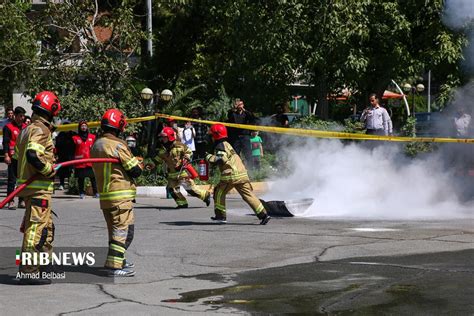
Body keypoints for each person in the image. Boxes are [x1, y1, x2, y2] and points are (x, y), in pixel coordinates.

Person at [16, 91, 61, 285]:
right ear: (51, 110)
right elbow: (34, 155)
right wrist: (49, 170)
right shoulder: (41, 130)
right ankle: (29, 270)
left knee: (45, 228)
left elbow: (21, 156)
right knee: (36, 230)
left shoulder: (27, 129)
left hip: (31, 187)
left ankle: (43, 265)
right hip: (37, 187)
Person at [91, 109, 142, 277]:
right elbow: (135, 170)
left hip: (106, 197)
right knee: (124, 232)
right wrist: (138, 162)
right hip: (120, 196)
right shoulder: (118, 145)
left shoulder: (96, 144)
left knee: (115, 232)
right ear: (119, 126)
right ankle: (114, 267)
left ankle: (119, 260)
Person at [206, 124, 271, 225]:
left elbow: (221, 159)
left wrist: (209, 157)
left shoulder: (220, 145)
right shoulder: (227, 144)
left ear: (215, 135)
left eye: (211, 135)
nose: (210, 138)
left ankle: (220, 216)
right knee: (248, 195)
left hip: (231, 175)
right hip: (242, 174)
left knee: (218, 192)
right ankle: (264, 215)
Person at [152, 127, 210, 208]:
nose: (162, 139)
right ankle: (182, 203)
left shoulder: (180, 146)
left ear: (169, 137)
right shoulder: (163, 150)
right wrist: (151, 165)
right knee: (172, 189)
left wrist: (186, 157)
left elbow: (189, 152)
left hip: (182, 172)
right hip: (172, 174)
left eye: (164, 137)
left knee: (190, 189)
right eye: (162, 137)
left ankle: (205, 195)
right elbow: (157, 160)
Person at [2, 106, 27, 209]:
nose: (22, 118)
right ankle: (10, 201)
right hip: (12, 157)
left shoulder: (26, 127)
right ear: (15, 116)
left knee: (22, 180)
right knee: (12, 180)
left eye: (23, 116)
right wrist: (6, 155)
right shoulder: (8, 127)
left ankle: (21, 200)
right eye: (20, 116)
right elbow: (6, 143)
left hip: (23, 158)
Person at [72, 120, 98, 198]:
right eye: (82, 126)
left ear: (87, 127)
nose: (84, 127)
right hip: (80, 162)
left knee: (93, 178)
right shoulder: (75, 138)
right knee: (81, 179)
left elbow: (95, 148)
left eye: (85, 126)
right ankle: (81, 193)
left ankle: (96, 192)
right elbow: (72, 150)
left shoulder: (92, 137)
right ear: (79, 127)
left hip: (90, 161)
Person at [54, 120, 75, 190]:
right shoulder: (60, 135)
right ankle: (61, 184)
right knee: (62, 171)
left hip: (71, 156)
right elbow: (57, 145)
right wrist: (56, 155)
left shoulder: (73, 135)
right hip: (62, 156)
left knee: (70, 170)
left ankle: (70, 184)